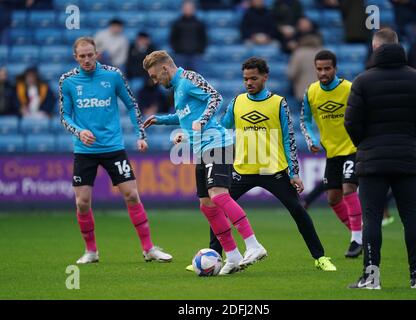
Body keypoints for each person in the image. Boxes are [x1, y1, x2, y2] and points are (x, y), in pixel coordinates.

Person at [193, 57, 337, 272]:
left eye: (253, 78)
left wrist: (294, 172)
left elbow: (289, 139)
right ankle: (215, 257)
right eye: (245, 79)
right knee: (219, 208)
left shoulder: (278, 103)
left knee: (298, 211)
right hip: (242, 169)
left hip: (273, 170)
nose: (249, 82)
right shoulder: (237, 102)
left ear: (265, 77)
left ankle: (320, 257)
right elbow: (221, 129)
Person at [142, 50, 267, 275]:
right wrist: (160, 119)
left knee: (219, 196)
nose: (155, 81)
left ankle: (253, 245)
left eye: (154, 76)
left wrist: (202, 119)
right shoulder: (179, 90)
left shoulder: (188, 78)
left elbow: (215, 96)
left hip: (217, 143)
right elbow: (183, 117)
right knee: (207, 205)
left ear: (164, 68)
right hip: (201, 149)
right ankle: (233, 256)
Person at [59, 37, 172, 265]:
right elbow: (65, 116)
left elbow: (131, 104)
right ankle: (91, 251)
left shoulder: (113, 75)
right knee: (82, 202)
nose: (87, 59)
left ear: (97, 53)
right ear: (76, 57)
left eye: (90, 54)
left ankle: (149, 248)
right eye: (82, 56)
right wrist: (80, 132)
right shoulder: (68, 81)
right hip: (85, 150)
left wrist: (141, 135)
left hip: (113, 147)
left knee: (131, 195)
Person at [345, 28, 416, 289]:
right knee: (411, 217)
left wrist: (365, 143)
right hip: (406, 155)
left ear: (375, 48)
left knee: (371, 218)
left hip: (372, 160)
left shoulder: (363, 81)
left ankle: (371, 279)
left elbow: (351, 122)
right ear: (397, 46)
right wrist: (409, 137)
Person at [300, 50, 363, 258]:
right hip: (332, 152)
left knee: (348, 188)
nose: (323, 72)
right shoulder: (311, 92)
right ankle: (359, 233)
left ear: (335, 68)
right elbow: (305, 120)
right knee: (333, 198)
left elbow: (365, 113)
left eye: (327, 68)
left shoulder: (349, 88)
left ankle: (357, 239)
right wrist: (311, 140)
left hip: (353, 149)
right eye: (319, 69)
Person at [169, 0, 207, 72]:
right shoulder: (177, 24)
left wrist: (199, 50)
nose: (188, 10)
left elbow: (203, 38)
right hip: (181, 55)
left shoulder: (199, 24)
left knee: (197, 79)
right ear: (182, 9)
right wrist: (177, 50)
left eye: (189, 8)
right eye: (186, 8)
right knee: (180, 77)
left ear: (193, 9)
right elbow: (173, 39)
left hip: (195, 56)